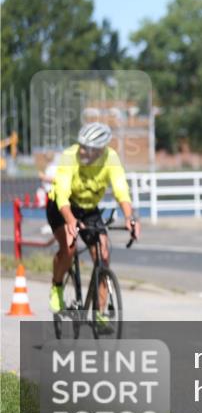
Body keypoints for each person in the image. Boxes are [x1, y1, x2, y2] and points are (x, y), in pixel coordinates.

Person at [47, 122, 141, 326]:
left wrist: (129, 217)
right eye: (81, 145)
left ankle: (100, 312)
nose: (82, 150)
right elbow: (62, 194)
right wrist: (71, 221)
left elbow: (121, 190)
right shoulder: (70, 156)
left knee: (103, 256)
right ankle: (57, 286)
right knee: (69, 248)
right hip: (62, 206)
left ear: (100, 150)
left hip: (89, 209)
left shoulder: (111, 159)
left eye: (87, 148)